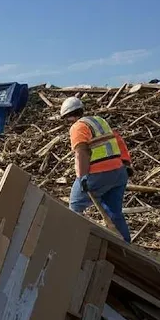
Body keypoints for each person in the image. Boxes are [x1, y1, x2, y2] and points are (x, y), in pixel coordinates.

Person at [59, 96, 132, 243]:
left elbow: (81, 152)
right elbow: (118, 140)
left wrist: (82, 177)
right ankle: (126, 245)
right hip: (119, 172)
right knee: (113, 212)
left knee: (75, 206)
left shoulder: (78, 126)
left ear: (68, 117)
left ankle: (75, 243)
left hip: (99, 174)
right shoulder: (100, 121)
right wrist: (126, 163)